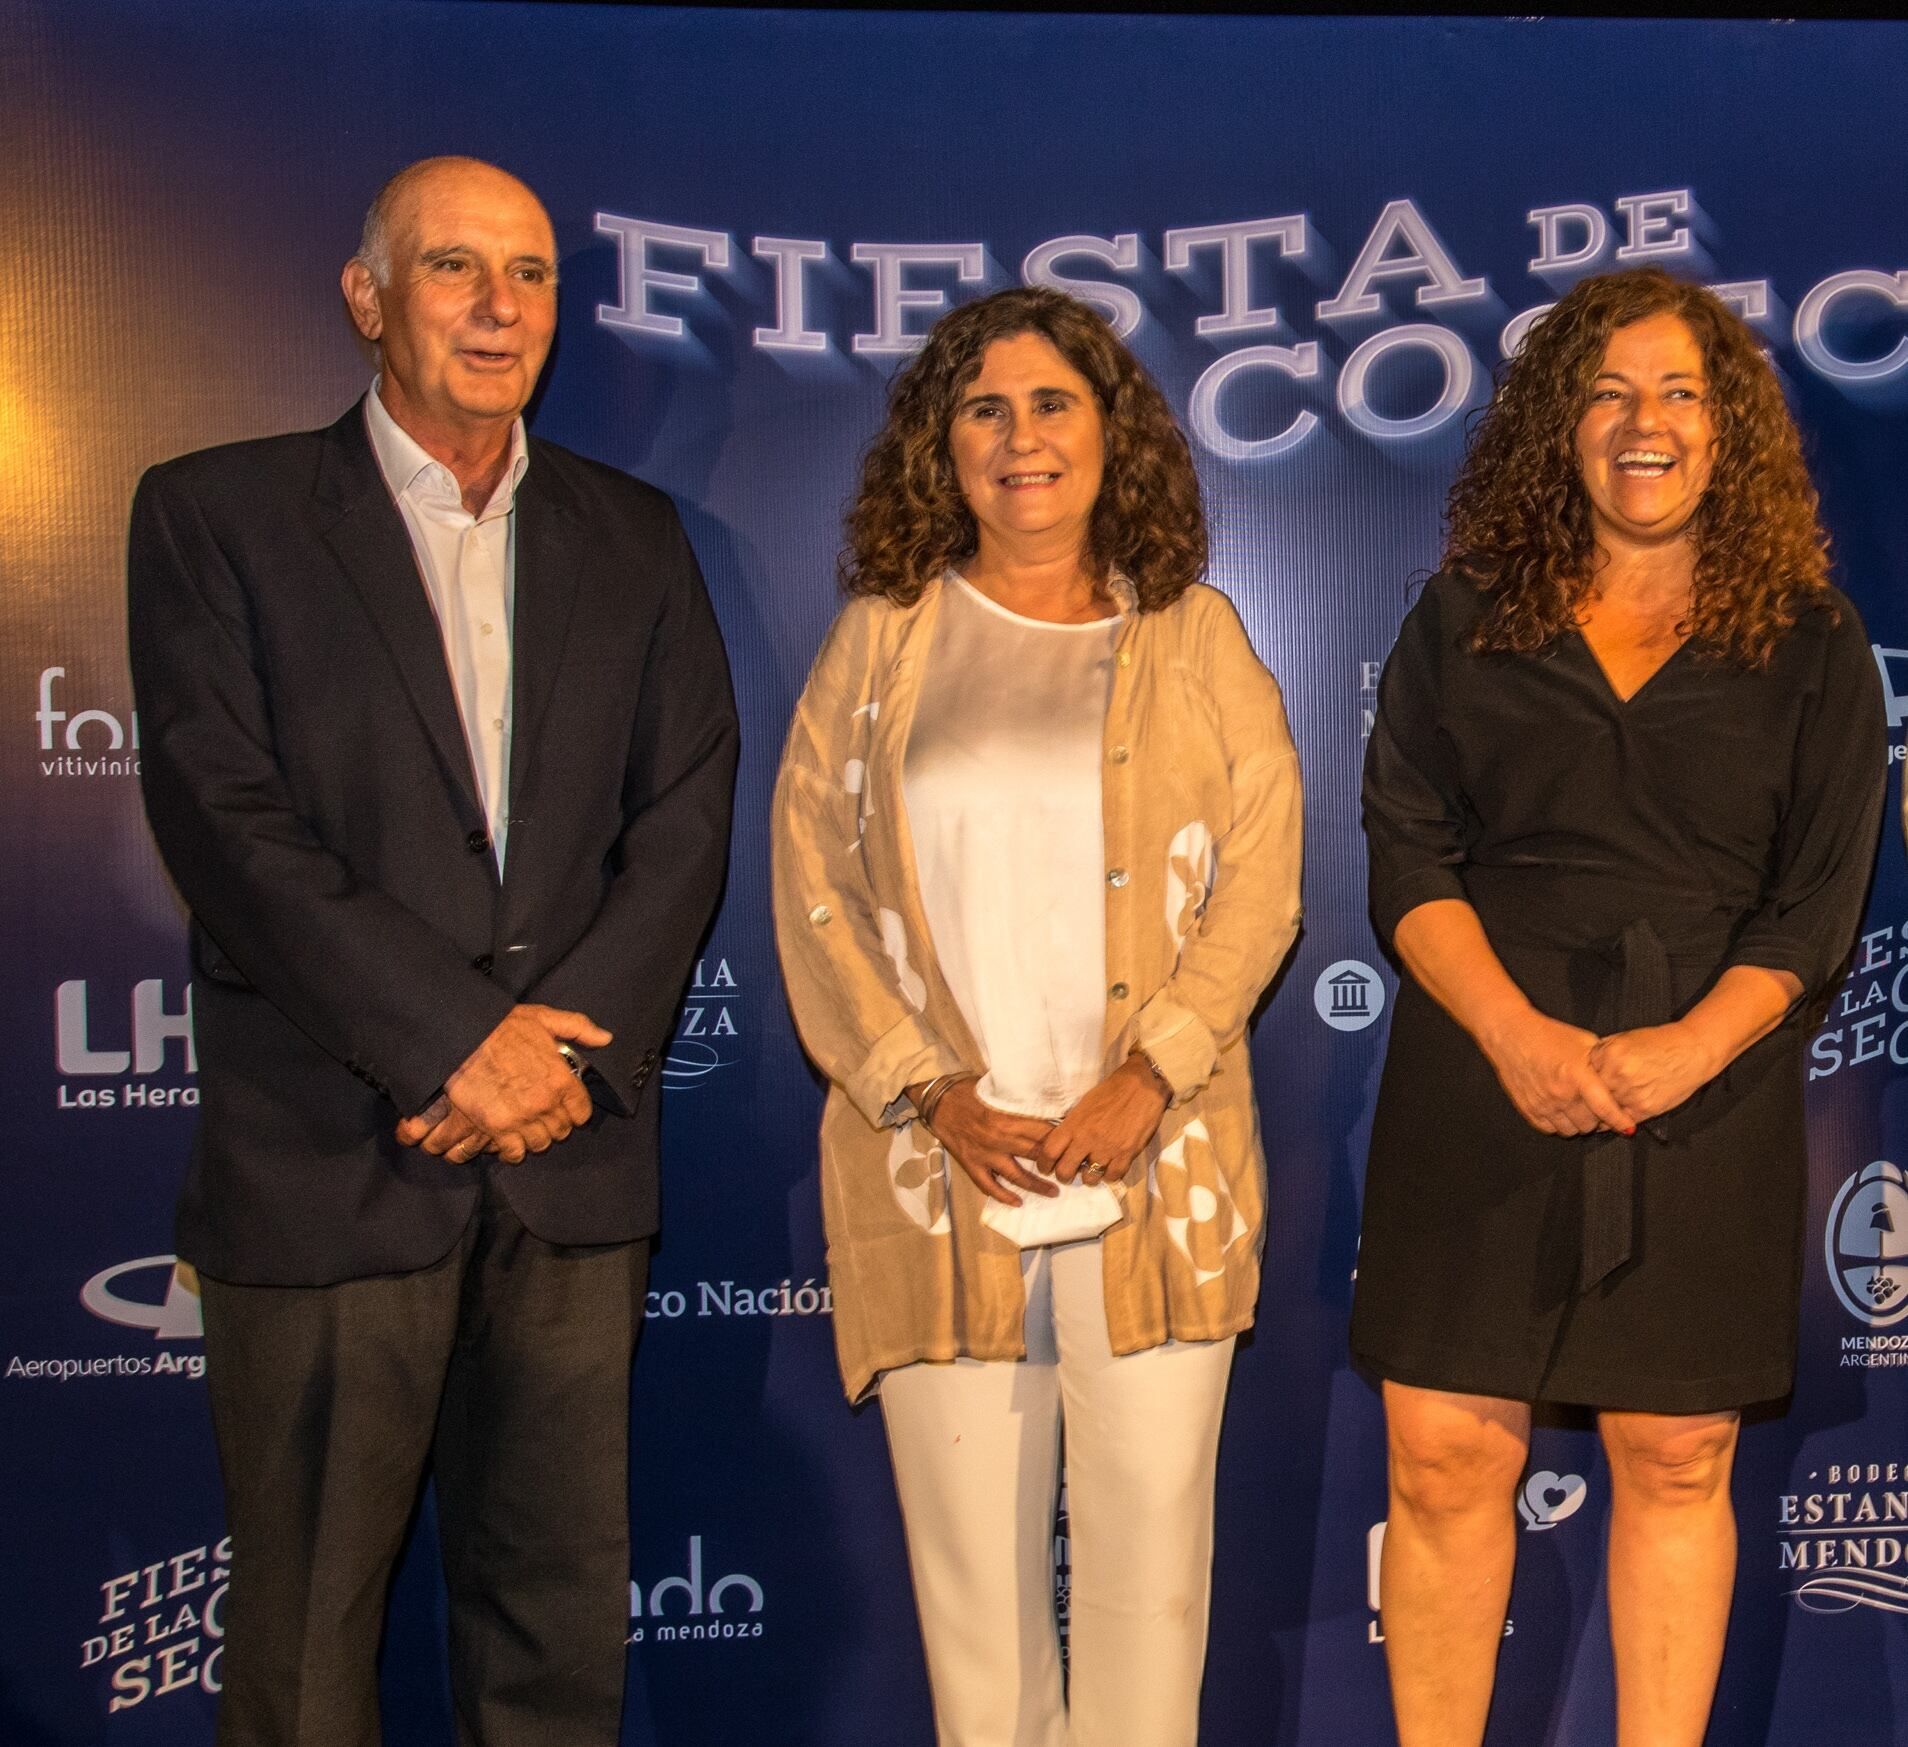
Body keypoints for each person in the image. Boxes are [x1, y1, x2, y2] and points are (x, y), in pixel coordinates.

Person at [126, 156, 737, 1746]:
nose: (498, 307)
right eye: (456, 268)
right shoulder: (217, 516)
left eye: (530, 276)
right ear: (366, 298)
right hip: (335, 1158)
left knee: (552, 1633)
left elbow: (681, 825)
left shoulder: (639, 536)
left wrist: (549, 1057)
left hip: (566, 1164)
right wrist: (458, 1043)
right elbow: (226, 825)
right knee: (310, 1644)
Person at [1352, 266, 1886, 1747]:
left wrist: (1683, 1051)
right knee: (1448, 1456)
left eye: (1679, 394)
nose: (1642, 424)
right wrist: (1519, 1037)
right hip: (1481, 1069)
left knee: (1673, 1454)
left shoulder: (1814, 642)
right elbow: (1407, 854)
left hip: (1705, 1086)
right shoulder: (1461, 622)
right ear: (1558, 427)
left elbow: (1816, 902)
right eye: (1607, 392)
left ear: (1729, 434)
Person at [772, 286, 1303, 1747]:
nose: (1021, 438)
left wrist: (1154, 1074)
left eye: (1053, 402)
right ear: (939, 450)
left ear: (1109, 430)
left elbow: (1262, 886)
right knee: (979, 1631)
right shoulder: (881, 645)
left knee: (1150, 1605)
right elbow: (811, 886)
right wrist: (929, 1094)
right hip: (941, 1181)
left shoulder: (1197, 637)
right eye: (984, 409)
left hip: (1157, 1174)